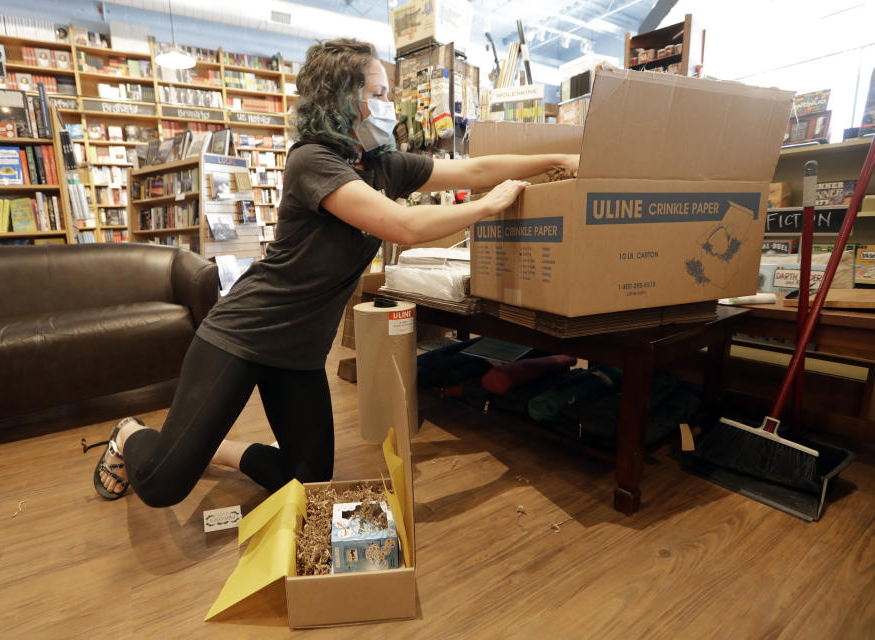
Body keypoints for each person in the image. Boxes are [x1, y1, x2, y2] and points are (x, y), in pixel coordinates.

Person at [88, 38, 579, 505]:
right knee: (161, 485)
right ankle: (132, 433)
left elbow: (471, 170)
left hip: (300, 354)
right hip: (244, 334)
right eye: (378, 93)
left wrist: (555, 158)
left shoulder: (383, 165)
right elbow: (403, 225)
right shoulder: (312, 161)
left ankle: (209, 448)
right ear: (343, 98)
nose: (388, 104)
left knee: (309, 481)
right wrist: (487, 208)